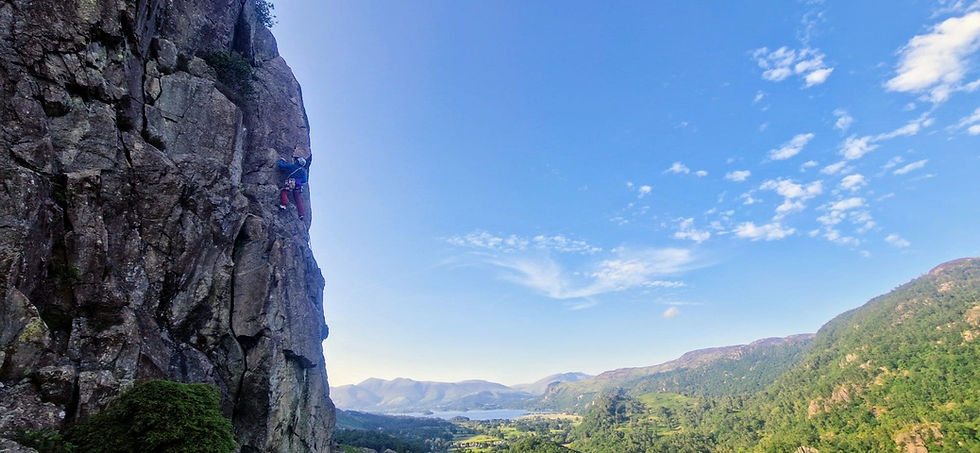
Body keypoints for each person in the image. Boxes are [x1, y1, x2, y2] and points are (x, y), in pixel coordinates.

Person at [277, 155, 311, 219]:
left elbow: (281, 166)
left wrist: (281, 160)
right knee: (298, 199)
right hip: (298, 185)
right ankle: (301, 214)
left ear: (297, 162)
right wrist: (297, 181)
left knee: (284, 192)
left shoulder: (292, 166)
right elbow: (304, 180)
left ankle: (284, 204)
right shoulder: (303, 171)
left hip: (290, 182)